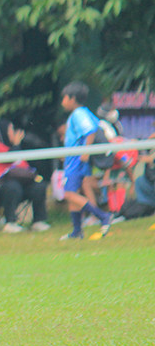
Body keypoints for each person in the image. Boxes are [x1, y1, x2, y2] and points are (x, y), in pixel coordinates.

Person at [58, 81, 113, 240]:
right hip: (74, 158)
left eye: (64, 98)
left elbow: (90, 130)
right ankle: (77, 231)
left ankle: (103, 216)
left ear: (72, 99)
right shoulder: (83, 112)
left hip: (76, 160)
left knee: (68, 194)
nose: (62, 102)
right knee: (73, 193)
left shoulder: (78, 114)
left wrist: (85, 152)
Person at [0, 119, 50, 233]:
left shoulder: (14, 148)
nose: (14, 133)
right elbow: (11, 158)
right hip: (0, 188)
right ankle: (10, 222)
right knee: (13, 186)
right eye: (11, 130)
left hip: (20, 185)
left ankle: (38, 221)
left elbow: (24, 167)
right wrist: (17, 144)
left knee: (39, 186)